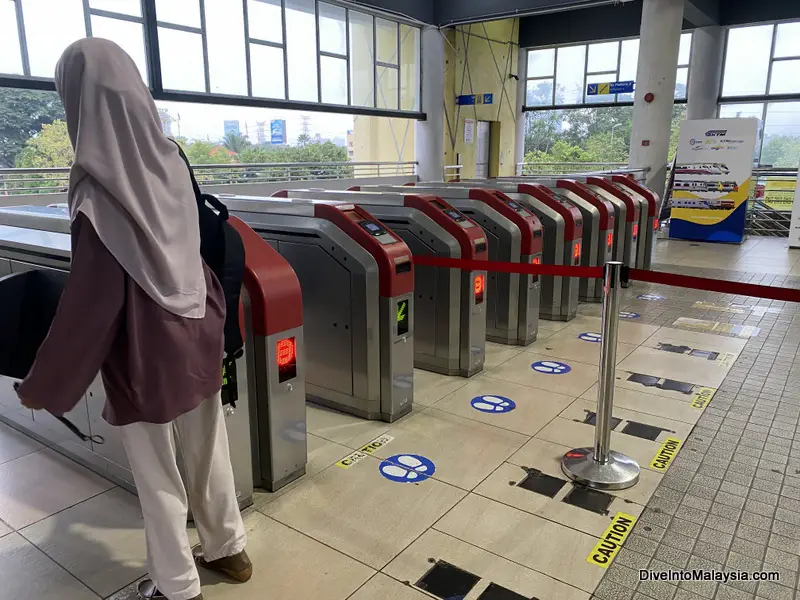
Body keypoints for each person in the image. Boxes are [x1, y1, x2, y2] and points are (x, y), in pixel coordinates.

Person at [14, 38, 251, 600]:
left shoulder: (97, 187)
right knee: (207, 446)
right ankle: (229, 551)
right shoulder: (169, 155)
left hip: (145, 346)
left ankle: (176, 584)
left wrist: (44, 384)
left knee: (156, 473)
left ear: (78, 100)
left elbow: (91, 304)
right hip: (201, 323)